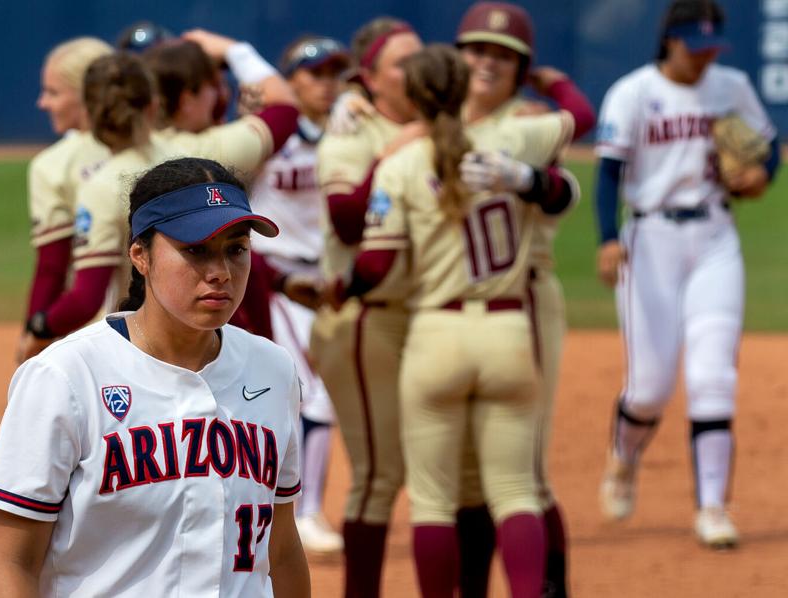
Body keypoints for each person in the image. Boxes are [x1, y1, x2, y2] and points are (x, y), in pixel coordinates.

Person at [0, 156, 310, 597]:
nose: (221, 273)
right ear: (140, 255)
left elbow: (282, 549)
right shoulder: (66, 376)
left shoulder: (274, 369)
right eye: (196, 250)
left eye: (236, 248)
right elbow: (11, 562)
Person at [336, 44, 576, 597]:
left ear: (413, 97)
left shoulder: (399, 163)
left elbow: (375, 264)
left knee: (433, 502)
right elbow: (570, 163)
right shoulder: (509, 142)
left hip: (436, 334)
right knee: (516, 490)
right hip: (509, 331)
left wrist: (336, 290)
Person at [594, 0, 778, 550]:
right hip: (650, 241)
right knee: (649, 388)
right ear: (669, 41)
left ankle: (714, 507)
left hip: (716, 237)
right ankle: (624, 458)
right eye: (693, 48)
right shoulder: (632, 93)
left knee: (713, 375)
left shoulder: (731, 85)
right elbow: (608, 173)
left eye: (709, 49)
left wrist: (758, 174)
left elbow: (768, 153)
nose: (702, 60)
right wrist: (608, 239)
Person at [19, 36, 300, 355]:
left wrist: (38, 328)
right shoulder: (206, 149)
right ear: (154, 104)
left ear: (92, 120)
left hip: (138, 348)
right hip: (221, 342)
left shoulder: (97, 184)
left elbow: (84, 297)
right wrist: (236, 51)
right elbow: (286, 110)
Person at [452, 2, 596, 595]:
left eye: (505, 55)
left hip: (522, 301)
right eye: (479, 49)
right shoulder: (435, 118)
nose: (489, 62)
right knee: (462, 474)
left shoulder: (529, 121)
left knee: (522, 471)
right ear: (458, 57)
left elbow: (564, 191)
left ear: (522, 68)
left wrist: (528, 172)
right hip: (443, 308)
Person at [310, 16, 421, 596]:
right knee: (380, 474)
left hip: (423, 319)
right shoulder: (351, 129)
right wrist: (394, 156)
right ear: (370, 78)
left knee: (434, 471)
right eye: (401, 61)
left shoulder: (437, 123)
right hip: (361, 316)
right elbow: (347, 222)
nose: (417, 67)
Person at [245, 34, 350, 555]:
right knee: (313, 392)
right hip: (279, 278)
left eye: (334, 73)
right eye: (315, 73)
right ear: (290, 80)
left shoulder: (346, 134)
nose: (327, 84)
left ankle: (294, 507)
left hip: (330, 282)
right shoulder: (270, 136)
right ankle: (304, 512)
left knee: (318, 393)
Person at [19, 36, 112, 362]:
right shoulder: (159, 144)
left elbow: (52, 268)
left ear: (88, 95)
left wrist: (33, 332)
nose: (42, 103)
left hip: (95, 329)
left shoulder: (54, 164)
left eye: (53, 92)